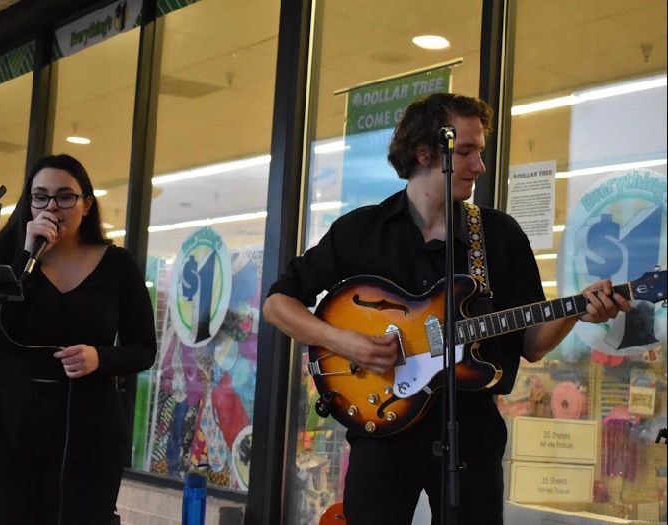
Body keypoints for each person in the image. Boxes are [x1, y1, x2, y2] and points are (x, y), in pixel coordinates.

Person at [262, 93, 631, 525]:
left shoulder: (499, 237)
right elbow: (277, 304)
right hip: (380, 433)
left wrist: (575, 311)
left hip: (470, 439)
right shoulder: (361, 231)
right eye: (466, 152)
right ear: (423, 153)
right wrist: (344, 341)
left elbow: (530, 345)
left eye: (480, 152)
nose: (479, 166)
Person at [0, 154, 157, 525]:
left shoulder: (117, 265)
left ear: (86, 204)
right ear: (29, 204)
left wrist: (101, 358)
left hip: (86, 419)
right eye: (40, 196)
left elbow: (144, 349)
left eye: (65, 196)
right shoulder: (6, 256)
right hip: (8, 416)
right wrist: (25, 256)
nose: (52, 206)